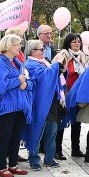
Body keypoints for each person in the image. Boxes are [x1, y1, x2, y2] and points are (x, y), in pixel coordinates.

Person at [0, 34, 32, 177]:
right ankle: (1, 167)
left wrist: (25, 83)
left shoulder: (17, 62)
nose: (20, 47)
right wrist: (18, 81)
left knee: (16, 136)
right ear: (8, 46)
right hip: (7, 106)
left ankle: (13, 164)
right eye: (17, 44)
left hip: (19, 105)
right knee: (5, 137)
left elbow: (25, 79)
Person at [22, 40, 67, 170]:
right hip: (40, 103)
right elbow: (44, 77)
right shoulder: (30, 64)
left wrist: (61, 67)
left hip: (52, 102)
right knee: (38, 131)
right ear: (32, 52)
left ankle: (49, 158)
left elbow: (56, 76)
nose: (43, 51)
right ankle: (34, 159)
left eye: (43, 49)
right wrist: (56, 63)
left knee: (52, 131)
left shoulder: (45, 62)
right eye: (41, 49)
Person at [55, 33, 87, 158]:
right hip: (66, 94)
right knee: (62, 123)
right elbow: (57, 73)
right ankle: (57, 150)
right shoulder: (63, 55)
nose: (77, 43)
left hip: (79, 94)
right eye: (74, 42)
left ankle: (76, 149)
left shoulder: (82, 56)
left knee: (77, 122)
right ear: (68, 43)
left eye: (78, 41)